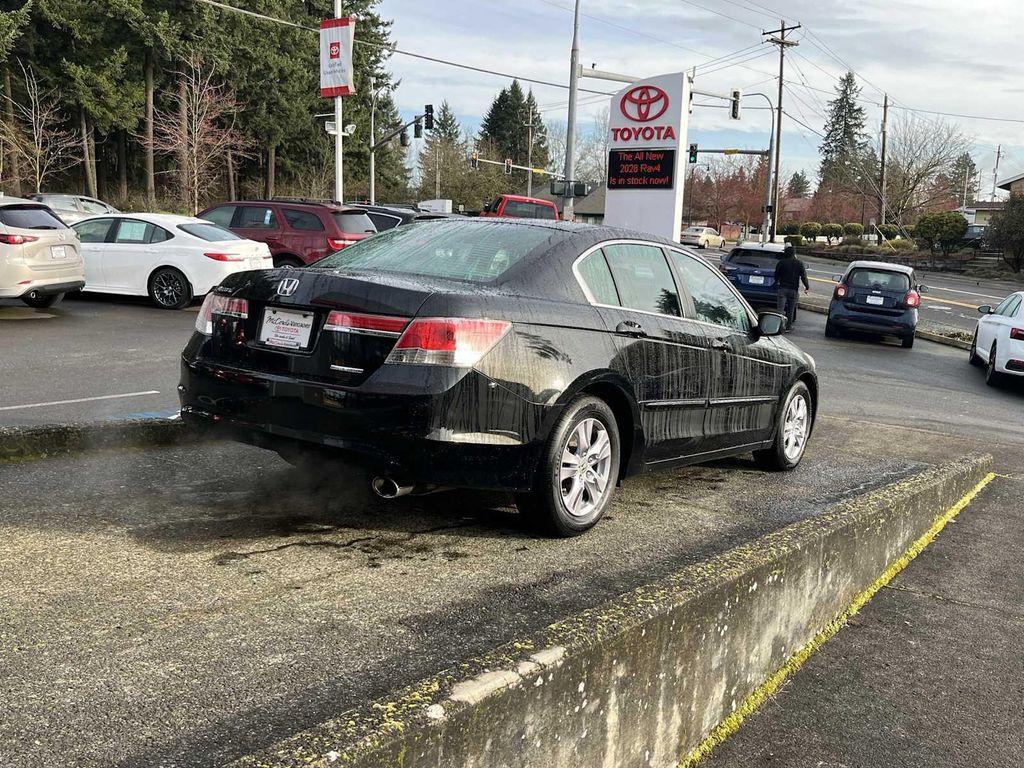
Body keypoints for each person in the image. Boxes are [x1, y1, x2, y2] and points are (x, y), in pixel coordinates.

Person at [773, 245, 810, 331]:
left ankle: (778, 327)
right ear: (794, 254)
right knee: (791, 309)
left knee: (780, 309)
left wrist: (777, 282)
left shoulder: (781, 263)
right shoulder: (799, 263)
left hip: (782, 289)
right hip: (793, 290)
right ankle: (788, 327)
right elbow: (803, 276)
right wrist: (807, 286)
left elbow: (776, 276)